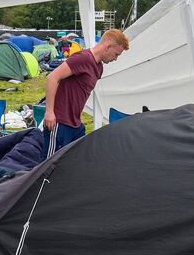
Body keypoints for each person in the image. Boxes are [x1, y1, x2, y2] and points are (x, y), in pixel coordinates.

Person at [42, 29, 129, 158]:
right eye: (116, 54)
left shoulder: (99, 68)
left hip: (75, 124)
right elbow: (52, 78)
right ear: (108, 46)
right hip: (59, 122)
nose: (116, 59)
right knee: (49, 165)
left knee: (73, 163)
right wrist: (49, 112)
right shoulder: (82, 58)